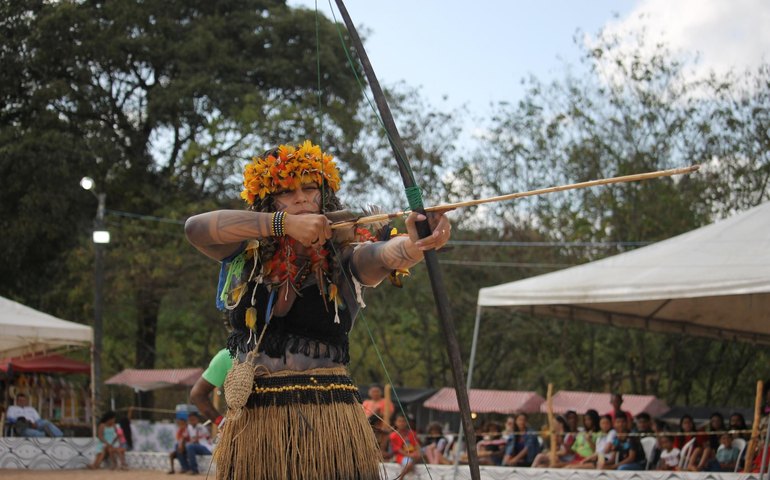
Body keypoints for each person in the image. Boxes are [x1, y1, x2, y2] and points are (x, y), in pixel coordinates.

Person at [184, 140, 452, 480]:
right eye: (285, 191)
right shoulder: (246, 254)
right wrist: (283, 224)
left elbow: (384, 255)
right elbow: (195, 228)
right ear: (269, 201)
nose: (299, 199)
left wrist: (417, 243)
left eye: (309, 188)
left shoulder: (344, 256)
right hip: (254, 424)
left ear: (323, 195)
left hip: (328, 420)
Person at [190, 348, 232, 431]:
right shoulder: (227, 356)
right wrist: (221, 423)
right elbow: (197, 395)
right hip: (240, 434)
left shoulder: (226, 356)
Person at [389, 413, 421, 479]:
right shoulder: (393, 435)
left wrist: (417, 452)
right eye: (399, 421)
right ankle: (401, 478)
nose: (402, 423)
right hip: (401, 456)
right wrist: (410, 455)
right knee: (409, 463)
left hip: (413, 454)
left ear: (407, 422)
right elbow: (398, 450)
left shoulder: (412, 433)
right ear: (396, 423)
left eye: (403, 421)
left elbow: (417, 445)